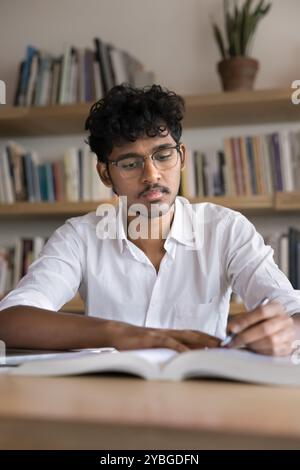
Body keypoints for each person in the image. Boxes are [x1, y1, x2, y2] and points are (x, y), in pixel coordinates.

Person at [0, 84, 299, 356]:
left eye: (163, 155)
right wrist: (120, 334)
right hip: (111, 401)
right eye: (130, 163)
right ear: (105, 174)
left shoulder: (225, 229)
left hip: (204, 399)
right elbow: (12, 320)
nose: (151, 175)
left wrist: (287, 330)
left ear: (181, 157)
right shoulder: (79, 236)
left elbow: (292, 309)